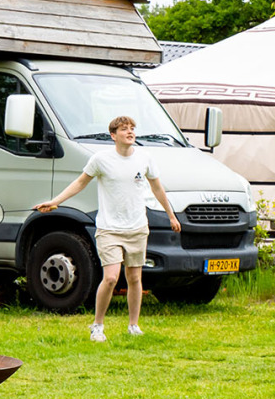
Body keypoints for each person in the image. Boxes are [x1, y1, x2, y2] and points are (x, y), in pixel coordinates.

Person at [34, 115, 182, 342]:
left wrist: (171, 216)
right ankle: (97, 326)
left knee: (134, 278)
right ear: (113, 135)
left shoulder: (145, 158)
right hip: (109, 229)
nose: (130, 132)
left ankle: (133, 325)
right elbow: (80, 182)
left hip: (137, 227)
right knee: (111, 277)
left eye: (132, 128)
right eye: (124, 129)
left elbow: (158, 188)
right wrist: (56, 201)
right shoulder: (101, 159)